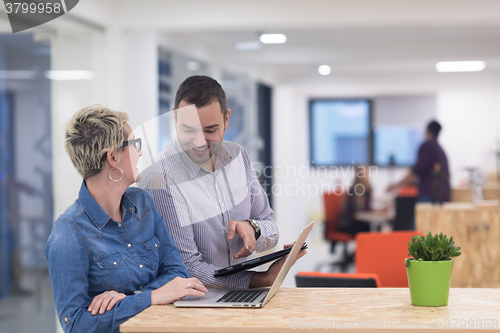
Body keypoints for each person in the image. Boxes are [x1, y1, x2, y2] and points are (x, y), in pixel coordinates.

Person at [45, 105, 207, 333]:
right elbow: (76, 324)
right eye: (134, 144)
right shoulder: (68, 234)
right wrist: (153, 297)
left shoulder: (143, 203)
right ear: (113, 157)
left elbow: (178, 273)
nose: (140, 152)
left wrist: (135, 298)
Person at [139, 75, 303, 289]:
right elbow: (187, 268)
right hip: (196, 304)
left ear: (227, 119)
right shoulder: (160, 179)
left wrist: (253, 228)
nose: (199, 142)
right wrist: (261, 280)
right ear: (174, 117)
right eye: (189, 130)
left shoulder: (238, 157)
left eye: (210, 130)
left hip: (239, 298)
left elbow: (270, 227)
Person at [387, 120, 450, 203]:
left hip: (430, 196)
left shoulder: (426, 147)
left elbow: (415, 172)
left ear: (427, 131)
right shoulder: (440, 149)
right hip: (444, 195)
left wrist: (396, 185)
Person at [339, 165, 372, 236]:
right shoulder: (354, 190)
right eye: (362, 174)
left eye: (366, 173)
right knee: (368, 230)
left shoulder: (367, 190)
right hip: (349, 223)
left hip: (359, 222)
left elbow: (367, 208)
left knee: (370, 228)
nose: (365, 176)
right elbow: (356, 211)